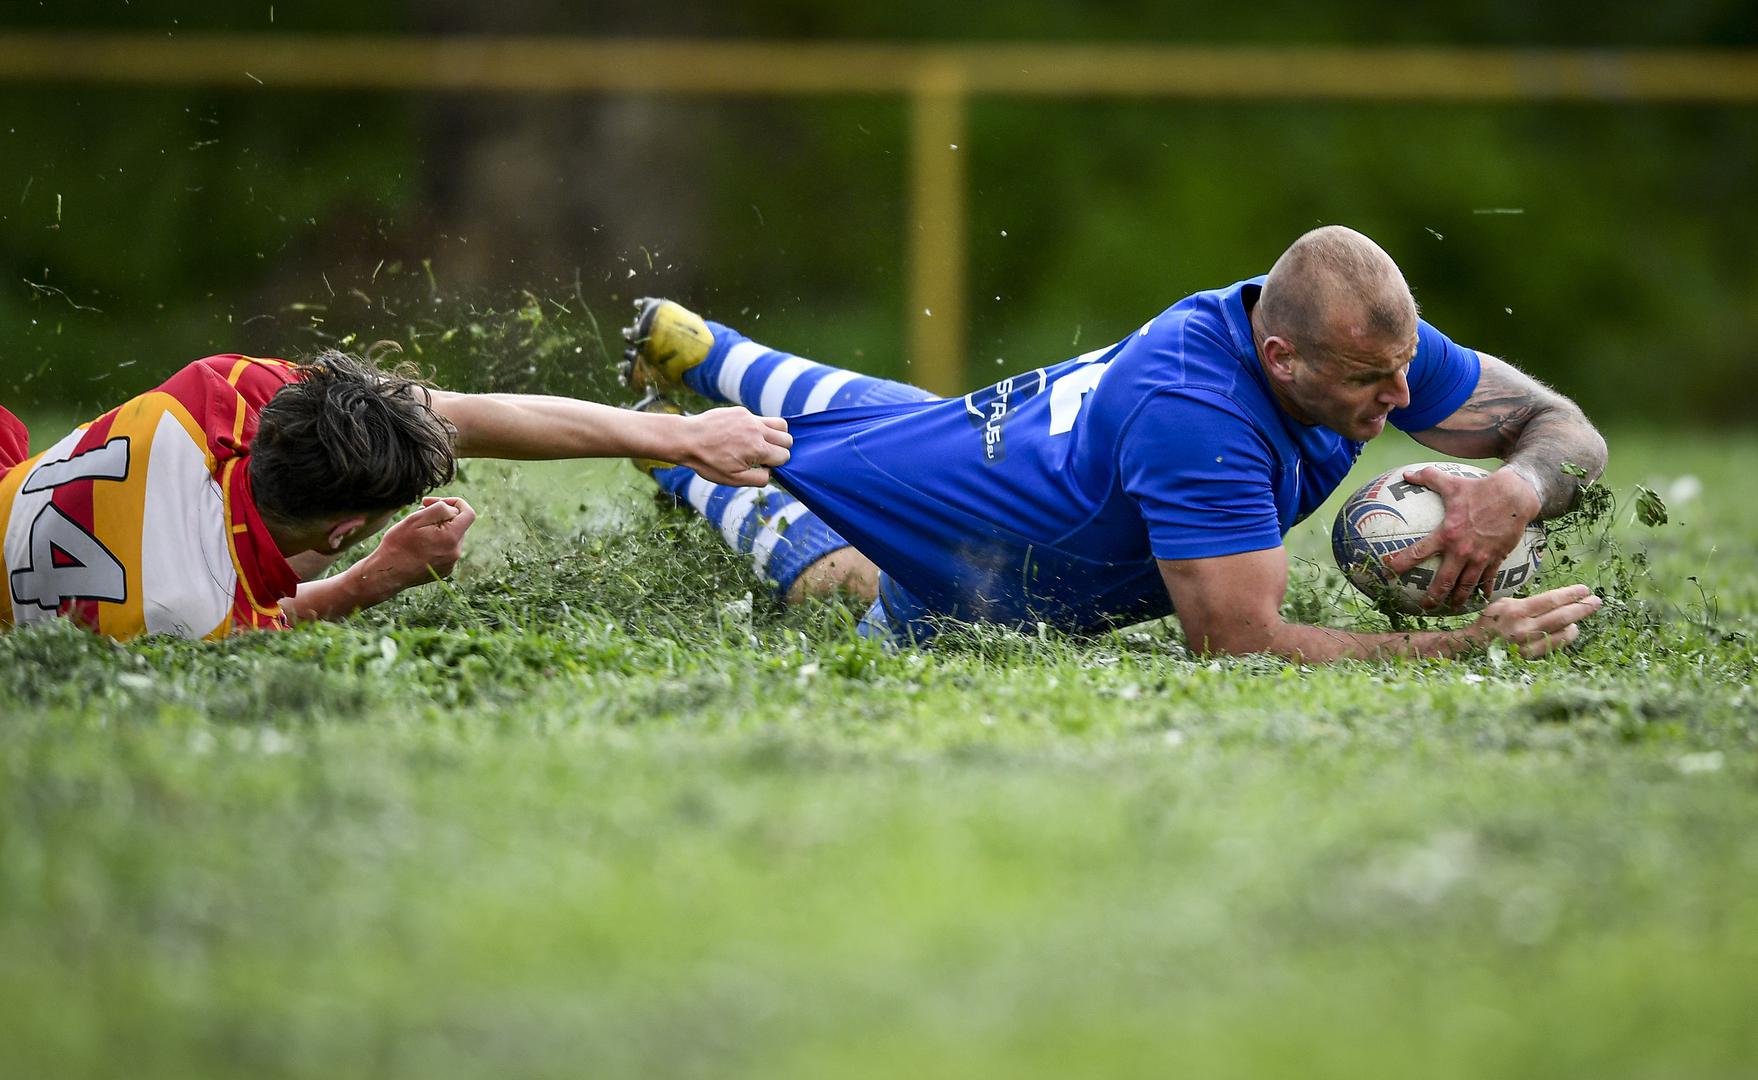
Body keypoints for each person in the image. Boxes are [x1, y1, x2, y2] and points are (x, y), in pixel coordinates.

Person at [621, 225, 1608, 662]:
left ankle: (709, 350)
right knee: (855, 574)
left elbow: (1563, 431)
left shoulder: (1357, 340)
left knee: (905, 421)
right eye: (1369, 385)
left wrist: (1516, 490)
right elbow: (1238, 645)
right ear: (1281, 358)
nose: (1401, 399)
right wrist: (1463, 648)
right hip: (990, 565)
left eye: (1404, 370)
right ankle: (679, 455)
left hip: (1000, 442)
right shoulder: (1203, 426)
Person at [1, 349, 791, 641]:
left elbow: (467, 417)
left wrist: (676, 438)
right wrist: (381, 577)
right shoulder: (198, 617)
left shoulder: (219, 391)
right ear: (346, 531)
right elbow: (280, 612)